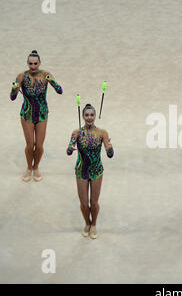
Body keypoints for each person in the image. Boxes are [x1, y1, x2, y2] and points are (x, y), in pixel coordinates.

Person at [10, 50, 63, 182]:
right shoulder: (22, 76)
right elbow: (12, 97)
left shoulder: (45, 74)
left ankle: (36, 167)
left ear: (40, 63)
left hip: (41, 113)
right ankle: (29, 168)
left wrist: (52, 81)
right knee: (30, 144)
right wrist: (14, 88)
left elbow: (60, 91)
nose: (33, 66)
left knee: (39, 145)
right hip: (27, 113)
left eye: (35, 63)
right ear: (27, 63)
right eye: (30, 63)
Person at [67, 104, 114, 239]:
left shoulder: (102, 133)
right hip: (81, 170)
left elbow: (110, 154)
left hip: (96, 170)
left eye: (91, 115)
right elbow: (68, 151)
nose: (89, 117)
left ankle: (94, 224)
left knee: (94, 202)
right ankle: (87, 223)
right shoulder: (76, 133)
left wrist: (110, 147)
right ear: (82, 116)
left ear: (95, 116)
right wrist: (70, 147)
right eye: (86, 115)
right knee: (83, 202)